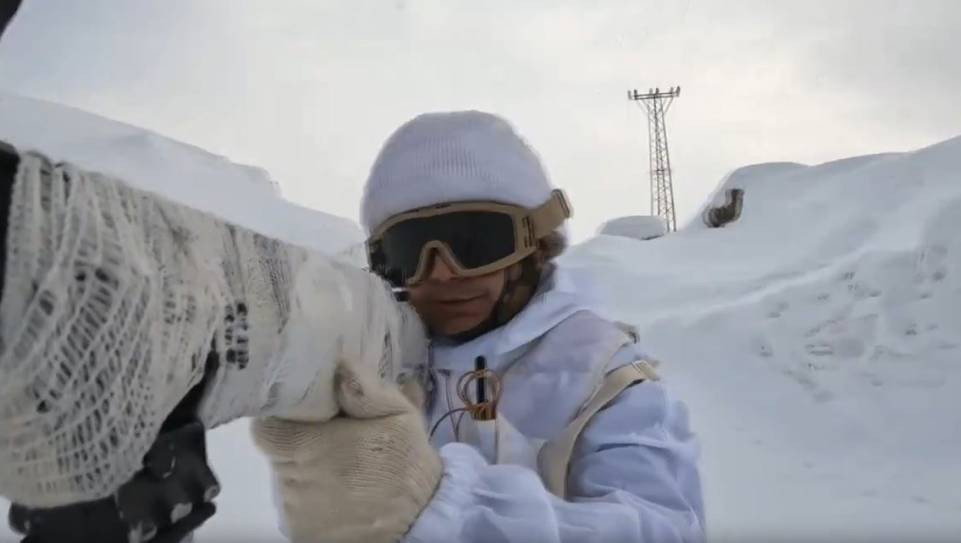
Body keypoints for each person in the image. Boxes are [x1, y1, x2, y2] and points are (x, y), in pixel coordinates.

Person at [251, 110, 705, 543]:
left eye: (475, 243)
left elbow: (664, 528)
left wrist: (442, 511)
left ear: (535, 246)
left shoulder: (606, 381)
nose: (442, 273)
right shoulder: (375, 365)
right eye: (410, 252)